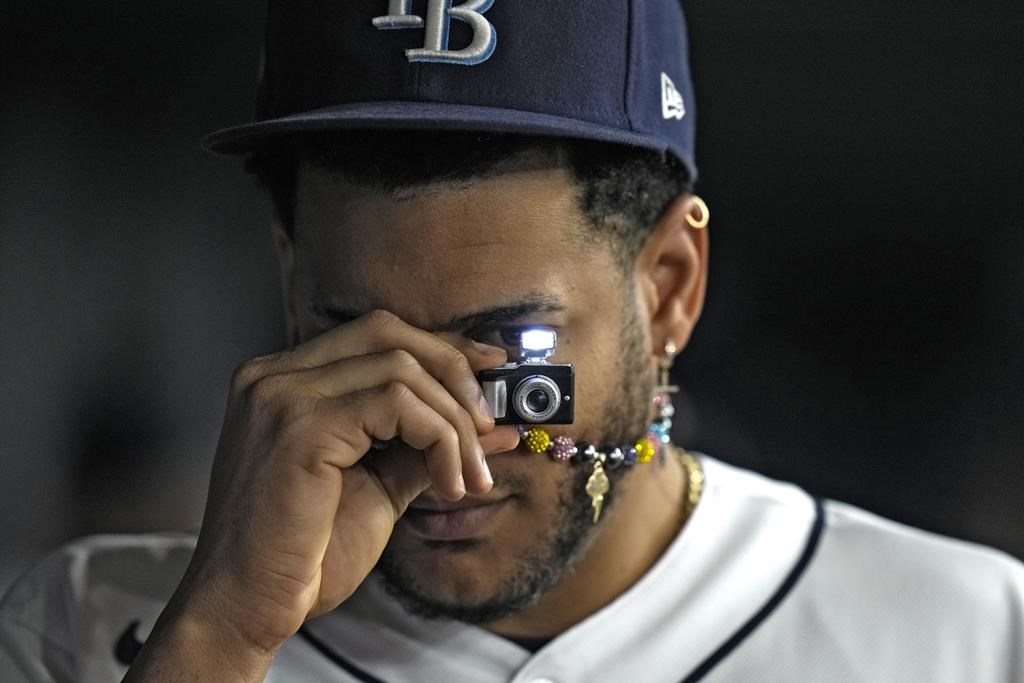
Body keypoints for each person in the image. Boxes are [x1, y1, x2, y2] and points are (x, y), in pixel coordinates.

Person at [2, 2, 1022, 681]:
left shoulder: (965, 635)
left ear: (668, 290)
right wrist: (221, 634)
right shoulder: (90, 624)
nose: (437, 438)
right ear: (288, 277)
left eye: (509, 345)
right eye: (355, 340)